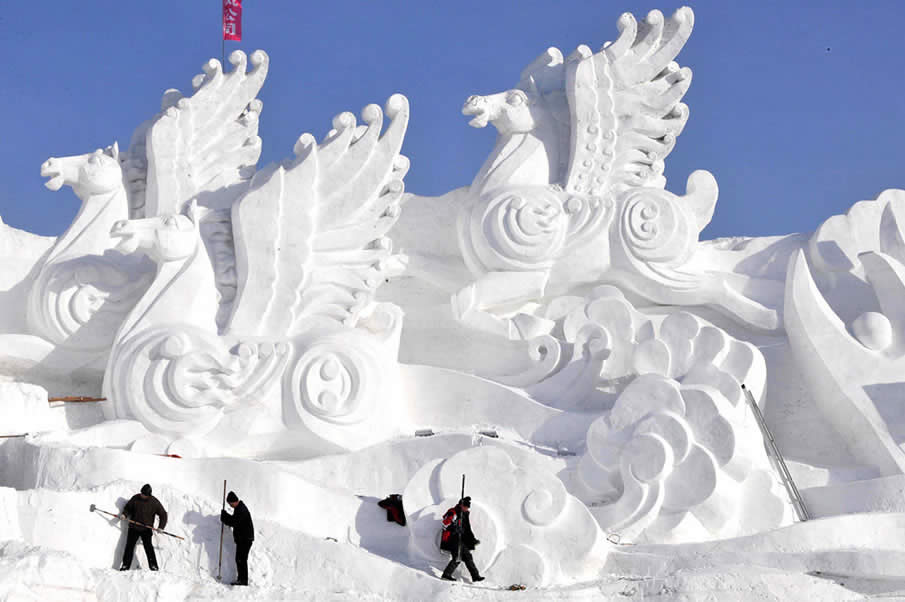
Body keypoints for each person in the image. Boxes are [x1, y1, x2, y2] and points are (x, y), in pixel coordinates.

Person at [119, 483, 168, 571]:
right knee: (129, 546)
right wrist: (124, 515)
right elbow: (128, 508)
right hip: (134, 527)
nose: (142, 495)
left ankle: (154, 566)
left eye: (144, 494)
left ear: (149, 495)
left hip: (146, 529)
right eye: (141, 493)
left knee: (148, 547)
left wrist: (161, 527)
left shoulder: (154, 502)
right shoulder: (135, 498)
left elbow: (163, 514)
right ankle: (125, 566)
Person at [439, 496, 484, 582]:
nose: (467, 509)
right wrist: (454, 528)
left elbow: (467, 529)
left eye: (468, 507)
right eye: (466, 507)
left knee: (467, 557)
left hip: (460, 540)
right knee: (457, 557)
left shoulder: (464, 514)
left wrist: (471, 540)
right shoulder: (453, 512)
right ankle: (446, 575)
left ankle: (475, 576)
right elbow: (444, 524)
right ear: (461, 505)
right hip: (451, 539)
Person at [220, 491, 254, 586]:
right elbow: (235, 520)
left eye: (230, 504)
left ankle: (243, 580)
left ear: (233, 501)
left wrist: (224, 517)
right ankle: (242, 579)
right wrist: (226, 516)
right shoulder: (239, 508)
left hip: (245, 539)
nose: (230, 506)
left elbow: (234, 522)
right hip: (244, 538)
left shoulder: (241, 510)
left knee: (241, 559)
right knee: (240, 559)